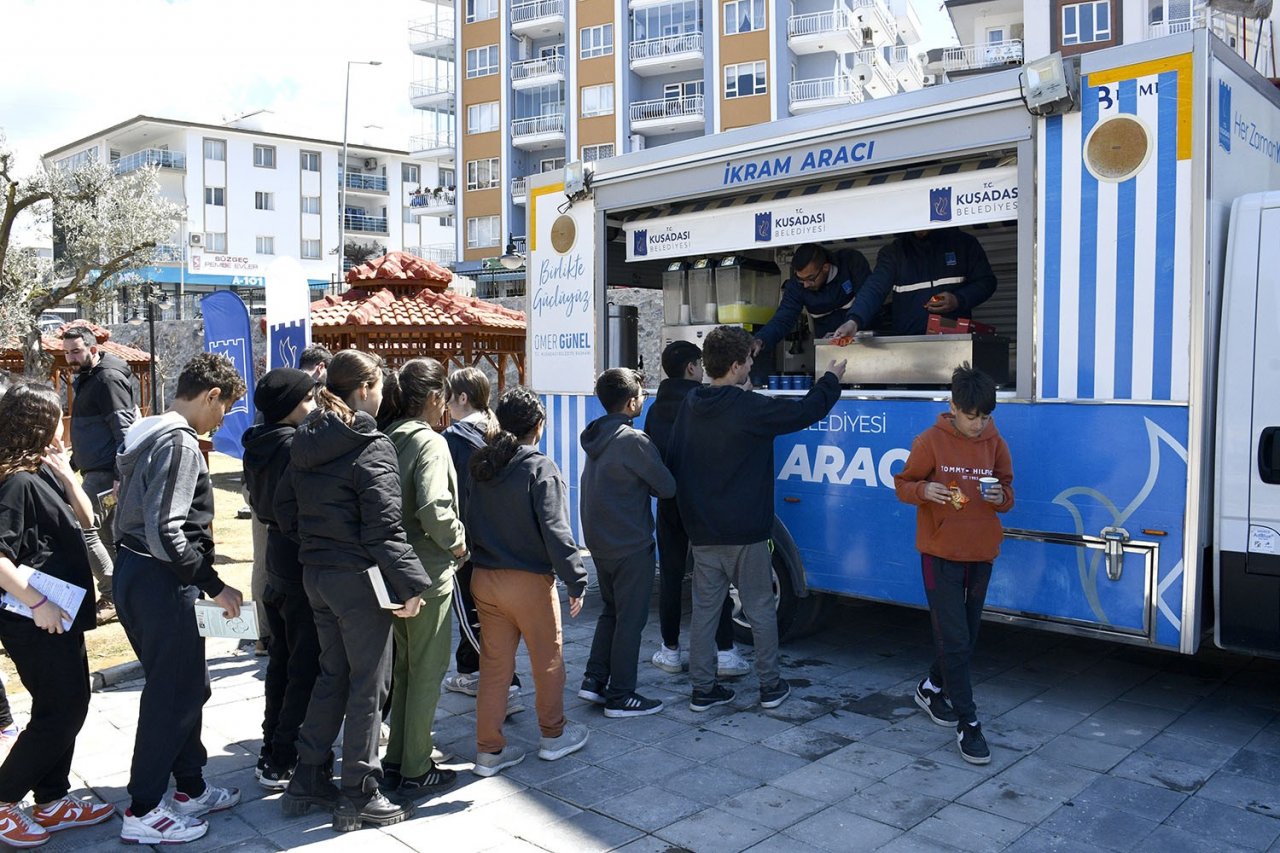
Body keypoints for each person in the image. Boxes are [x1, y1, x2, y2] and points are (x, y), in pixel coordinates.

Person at [276, 349, 431, 833]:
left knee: (334, 675)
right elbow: (385, 529)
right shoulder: (369, 442)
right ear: (364, 388)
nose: (384, 397)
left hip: (317, 574)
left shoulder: (306, 438)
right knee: (370, 684)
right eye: (381, 387)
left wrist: (320, 544)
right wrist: (411, 585)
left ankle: (307, 777)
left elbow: (283, 509)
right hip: (358, 579)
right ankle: (359, 790)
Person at [667, 326, 846, 713]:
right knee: (761, 609)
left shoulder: (692, 403)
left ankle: (702, 689)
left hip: (702, 530)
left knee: (704, 612)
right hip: (746, 532)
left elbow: (677, 458)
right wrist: (831, 378)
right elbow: (806, 410)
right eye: (749, 359)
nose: (752, 365)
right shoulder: (750, 408)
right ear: (735, 366)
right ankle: (770, 686)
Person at [113, 353, 247, 845]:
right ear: (211, 396)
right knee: (171, 695)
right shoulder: (181, 443)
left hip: (137, 573)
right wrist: (214, 584)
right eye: (225, 409)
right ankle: (144, 808)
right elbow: (166, 529)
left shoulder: (146, 432)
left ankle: (189, 786)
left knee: (188, 686)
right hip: (162, 580)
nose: (222, 420)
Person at [0, 383, 115, 848]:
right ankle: (4, 800)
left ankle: (51, 799)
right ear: (37, 423)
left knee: (66, 706)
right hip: (35, 617)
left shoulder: (40, 469)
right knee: (61, 711)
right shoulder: (13, 482)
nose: (63, 423)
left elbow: (87, 521)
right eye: (56, 415)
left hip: (60, 613)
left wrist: (67, 473)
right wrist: (37, 603)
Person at [893, 363, 1013, 766]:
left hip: (981, 553)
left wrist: (1002, 499)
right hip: (939, 553)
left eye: (985, 417)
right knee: (955, 639)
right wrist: (924, 488)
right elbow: (903, 485)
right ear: (953, 407)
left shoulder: (995, 442)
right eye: (971, 416)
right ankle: (969, 723)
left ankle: (931, 687)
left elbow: (1007, 488)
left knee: (967, 636)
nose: (978, 425)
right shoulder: (930, 441)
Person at [466, 387, 589, 777]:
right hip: (528, 582)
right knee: (547, 661)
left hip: (484, 578)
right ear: (538, 427)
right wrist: (576, 579)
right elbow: (557, 532)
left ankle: (489, 751)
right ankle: (553, 736)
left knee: (495, 667)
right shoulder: (539, 468)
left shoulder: (482, 465)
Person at [378, 358, 465, 797]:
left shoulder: (388, 438)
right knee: (426, 673)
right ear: (434, 398)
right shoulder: (430, 442)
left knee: (406, 670)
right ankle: (415, 765)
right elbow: (434, 506)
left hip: (392, 571)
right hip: (428, 573)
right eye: (444, 399)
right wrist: (458, 540)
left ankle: (399, 758)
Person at [644, 342, 749, 679]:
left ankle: (670, 651)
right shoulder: (704, 401)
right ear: (691, 368)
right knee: (714, 576)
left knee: (672, 576)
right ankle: (726, 654)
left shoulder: (654, 408)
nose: (703, 370)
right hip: (704, 502)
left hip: (668, 501)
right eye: (699, 364)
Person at [578, 369, 675, 718]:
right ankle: (621, 696)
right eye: (642, 395)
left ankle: (593, 680)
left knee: (611, 611)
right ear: (632, 401)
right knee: (630, 621)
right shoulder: (634, 440)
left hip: (600, 542)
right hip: (630, 543)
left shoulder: (596, 435)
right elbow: (667, 488)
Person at [241, 368, 319, 791]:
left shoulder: (259, 442)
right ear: (290, 405)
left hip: (276, 556)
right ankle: (282, 755)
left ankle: (272, 744)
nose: (314, 407)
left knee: (283, 660)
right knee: (302, 663)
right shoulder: (293, 447)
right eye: (308, 400)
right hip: (297, 556)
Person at [439, 368, 522, 705]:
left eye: (448, 397)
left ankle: (509, 683)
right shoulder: (499, 434)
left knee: (471, 613)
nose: (444, 404)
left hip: (466, 541)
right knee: (487, 612)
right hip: (500, 537)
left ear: (461, 398)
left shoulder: (450, 440)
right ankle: (470, 672)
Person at [62, 325, 138, 624]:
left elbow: (124, 430)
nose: (70, 358)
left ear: (93, 349)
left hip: (107, 474)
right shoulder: (88, 377)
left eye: (76, 351)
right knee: (104, 535)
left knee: (81, 528)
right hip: (93, 470)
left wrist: (121, 475)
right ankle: (121, 593)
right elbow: (91, 431)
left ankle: (112, 594)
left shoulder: (107, 378)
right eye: (67, 352)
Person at [833, 227, 997, 338]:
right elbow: (874, 288)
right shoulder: (894, 252)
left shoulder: (963, 243)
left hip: (953, 341)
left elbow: (986, 282)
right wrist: (853, 321)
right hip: (910, 346)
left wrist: (958, 299)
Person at [750, 243, 871, 356]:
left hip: (866, 344)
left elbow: (868, 299)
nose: (806, 285)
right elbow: (783, 318)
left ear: (826, 267)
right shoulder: (797, 286)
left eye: (810, 278)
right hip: (829, 349)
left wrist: (853, 322)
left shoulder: (850, 262)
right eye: (800, 279)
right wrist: (761, 339)